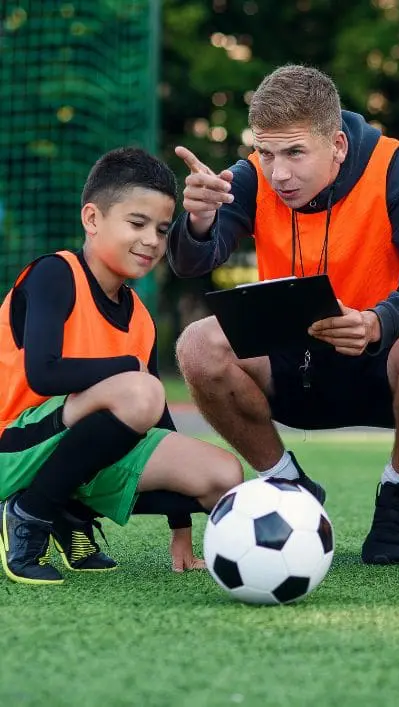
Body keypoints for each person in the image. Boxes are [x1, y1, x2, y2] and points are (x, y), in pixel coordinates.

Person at [168, 65, 399, 565]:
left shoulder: (394, 166)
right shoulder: (249, 176)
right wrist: (198, 220)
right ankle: (286, 484)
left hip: (380, 365)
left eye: (295, 153)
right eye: (266, 152)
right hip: (290, 369)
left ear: (338, 145)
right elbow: (194, 261)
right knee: (197, 344)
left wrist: (377, 321)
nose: (278, 172)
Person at [0, 147, 243, 585]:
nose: (152, 239)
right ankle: (29, 513)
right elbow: (43, 373)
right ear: (92, 219)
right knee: (139, 390)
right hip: (12, 447)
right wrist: (128, 368)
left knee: (222, 474)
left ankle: (68, 510)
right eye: (137, 223)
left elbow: (159, 424)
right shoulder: (55, 274)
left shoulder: (140, 317)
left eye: (162, 229)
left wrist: (181, 532)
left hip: (74, 452)